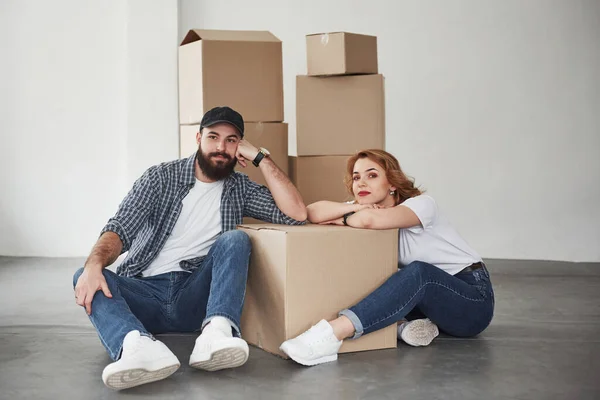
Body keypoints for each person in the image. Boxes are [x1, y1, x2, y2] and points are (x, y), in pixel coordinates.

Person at [73, 106, 307, 389]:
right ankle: (138, 346)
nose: (221, 147)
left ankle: (216, 333)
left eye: (231, 140)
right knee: (85, 273)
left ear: (240, 148)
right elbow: (120, 228)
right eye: (213, 137)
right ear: (198, 138)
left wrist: (261, 158)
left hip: (194, 297)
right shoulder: (160, 178)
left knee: (235, 239)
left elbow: (296, 214)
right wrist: (94, 265)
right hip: (144, 294)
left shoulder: (239, 188)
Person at [280, 149, 494, 366]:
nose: (361, 183)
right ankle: (404, 327)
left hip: (471, 300)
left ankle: (332, 334)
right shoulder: (364, 209)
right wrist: (355, 207)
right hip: (427, 304)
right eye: (356, 177)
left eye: (372, 175)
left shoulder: (422, 204)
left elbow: (369, 221)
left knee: (421, 272)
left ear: (392, 183)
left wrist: (344, 219)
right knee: (368, 275)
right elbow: (312, 212)